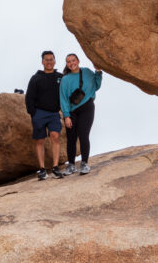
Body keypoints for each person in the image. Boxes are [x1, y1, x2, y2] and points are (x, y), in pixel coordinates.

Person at [59, 53, 103, 175]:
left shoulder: (87, 72)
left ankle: (84, 163)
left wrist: (98, 72)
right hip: (72, 111)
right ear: (66, 64)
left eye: (73, 60)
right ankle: (71, 165)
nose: (71, 63)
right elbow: (63, 99)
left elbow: (96, 86)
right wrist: (66, 116)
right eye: (68, 61)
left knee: (84, 135)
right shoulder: (65, 79)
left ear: (78, 61)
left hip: (87, 108)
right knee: (71, 138)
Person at [24, 50, 65, 180]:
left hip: (54, 113)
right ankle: (42, 169)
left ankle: (55, 167)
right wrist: (33, 113)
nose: (49, 62)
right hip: (39, 113)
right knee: (40, 140)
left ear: (55, 61)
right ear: (42, 62)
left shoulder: (60, 77)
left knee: (55, 136)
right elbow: (29, 97)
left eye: (51, 59)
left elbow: (66, 92)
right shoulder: (36, 78)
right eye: (46, 59)